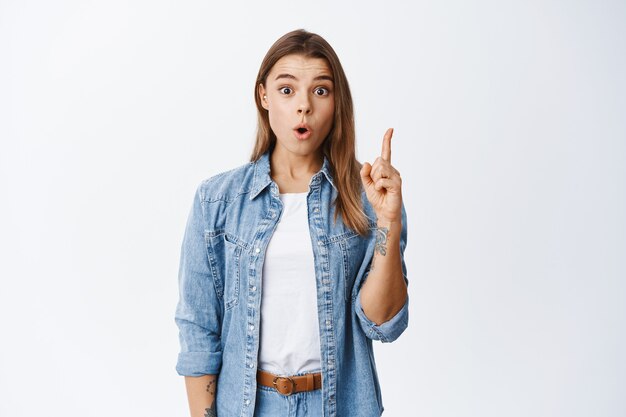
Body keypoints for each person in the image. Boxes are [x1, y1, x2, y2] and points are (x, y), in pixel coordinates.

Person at [175, 29, 409, 417]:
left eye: (320, 91)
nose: (304, 106)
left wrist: (388, 222)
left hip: (338, 405)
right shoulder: (216, 201)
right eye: (287, 90)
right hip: (250, 405)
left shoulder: (367, 197)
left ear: (336, 103)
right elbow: (198, 328)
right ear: (263, 96)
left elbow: (382, 323)